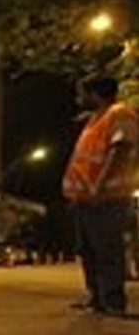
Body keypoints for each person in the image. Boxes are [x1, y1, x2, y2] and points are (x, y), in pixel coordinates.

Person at [61, 74, 138, 317]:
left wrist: (98, 186)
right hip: (87, 199)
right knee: (88, 250)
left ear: (95, 93)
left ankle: (113, 302)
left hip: (106, 197)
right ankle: (96, 297)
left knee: (107, 249)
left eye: (81, 92)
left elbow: (120, 150)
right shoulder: (95, 120)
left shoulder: (119, 114)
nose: (78, 98)